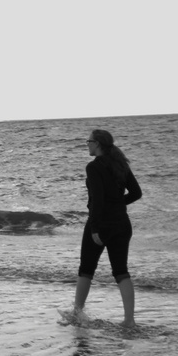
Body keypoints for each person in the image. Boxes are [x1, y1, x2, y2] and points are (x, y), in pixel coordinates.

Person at [73, 128, 141, 326]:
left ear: (97, 144)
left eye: (89, 141)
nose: (87, 144)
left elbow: (98, 200)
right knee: (121, 271)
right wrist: (118, 204)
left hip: (102, 224)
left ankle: (77, 314)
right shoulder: (120, 164)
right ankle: (129, 320)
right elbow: (136, 193)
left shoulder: (93, 167)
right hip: (122, 223)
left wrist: (94, 228)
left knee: (86, 269)